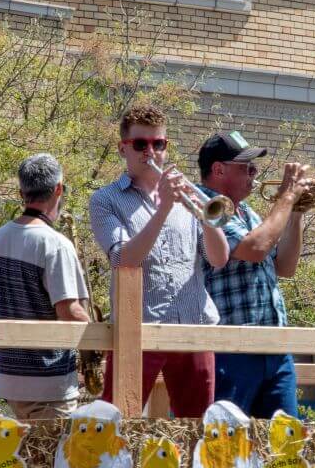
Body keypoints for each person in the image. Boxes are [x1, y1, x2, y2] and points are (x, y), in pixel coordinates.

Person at [89, 104, 229, 417]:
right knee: (119, 425)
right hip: (137, 330)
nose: (150, 152)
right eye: (140, 144)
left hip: (193, 327)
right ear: (123, 149)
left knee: (198, 430)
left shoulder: (186, 197)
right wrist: (164, 209)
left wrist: (206, 217)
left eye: (158, 144)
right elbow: (123, 259)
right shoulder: (105, 200)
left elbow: (219, 259)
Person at [197, 131, 311, 418]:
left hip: (274, 348)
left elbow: (285, 266)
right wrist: (286, 197)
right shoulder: (206, 207)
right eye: (246, 167)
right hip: (233, 349)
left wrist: (295, 212)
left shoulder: (247, 212)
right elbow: (255, 248)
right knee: (227, 445)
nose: (255, 173)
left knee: (284, 447)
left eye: (254, 167)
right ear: (218, 169)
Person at [0, 153, 90, 420]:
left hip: (9, 379)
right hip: (49, 383)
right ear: (59, 189)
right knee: (54, 459)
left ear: (21, 193)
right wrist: (101, 342)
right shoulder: (55, 244)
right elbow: (69, 311)